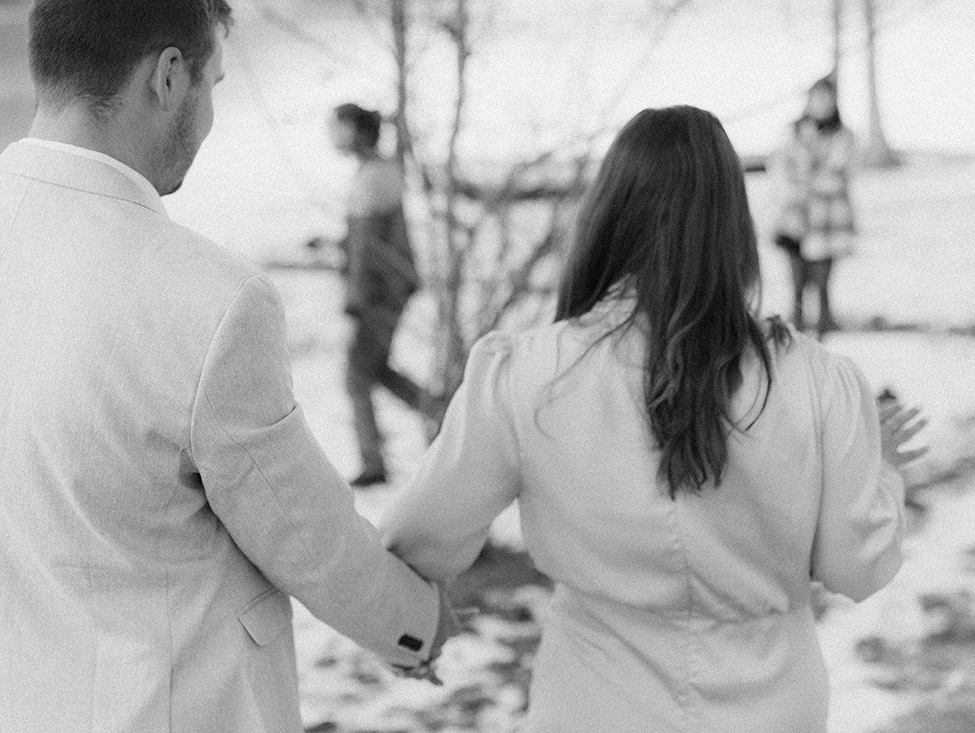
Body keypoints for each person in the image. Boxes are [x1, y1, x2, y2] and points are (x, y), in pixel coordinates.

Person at [0, 2, 456, 731]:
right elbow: (303, 533)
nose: (209, 116)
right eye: (214, 83)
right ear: (170, 76)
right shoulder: (212, 298)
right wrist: (417, 624)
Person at [380, 106, 926, 732]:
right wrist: (880, 469)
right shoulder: (815, 381)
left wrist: (407, 630)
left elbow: (419, 535)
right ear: (733, 222)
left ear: (608, 214)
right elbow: (857, 566)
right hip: (769, 706)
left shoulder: (530, 374)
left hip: (594, 702)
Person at [328, 103, 428, 488]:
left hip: (380, 294)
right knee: (376, 370)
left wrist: (357, 297)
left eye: (337, 127)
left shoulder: (373, 177)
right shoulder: (375, 172)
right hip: (385, 290)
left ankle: (374, 464)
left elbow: (369, 249)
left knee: (357, 376)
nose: (331, 135)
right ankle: (442, 411)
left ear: (355, 130)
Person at [770, 73, 858, 336]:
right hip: (795, 215)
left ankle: (823, 324)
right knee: (796, 277)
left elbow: (840, 173)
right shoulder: (792, 132)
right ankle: (795, 325)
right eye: (817, 98)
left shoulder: (843, 136)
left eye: (827, 99)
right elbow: (780, 167)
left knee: (822, 278)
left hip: (827, 218)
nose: (822, 104)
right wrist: (795, 186)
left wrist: (810, 179)